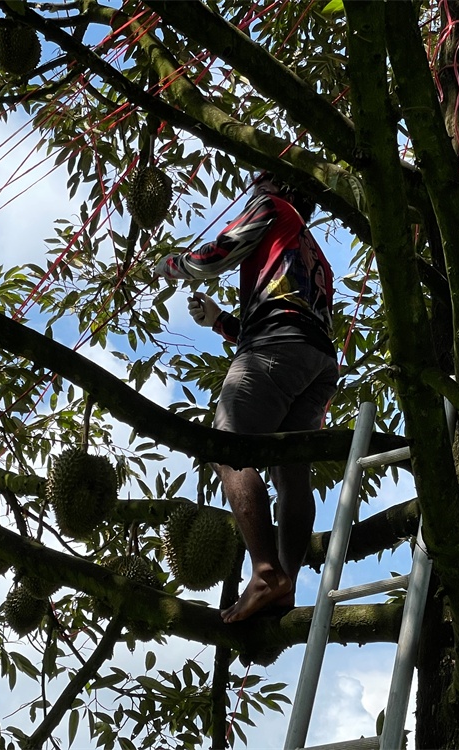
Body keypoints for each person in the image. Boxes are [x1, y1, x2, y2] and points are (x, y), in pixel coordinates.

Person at [153, 172, 338, 623]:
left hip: (279, 346)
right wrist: (220, 321)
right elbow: (289, 318)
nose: (252, 190)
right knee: (291, 473)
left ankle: (265, 572)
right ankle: (285, 586)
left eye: (258, 182)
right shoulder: (313, 254)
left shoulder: (274, 209)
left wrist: (173, 264)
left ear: (277, 187)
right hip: (319, 362)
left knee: (230, 448)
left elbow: (219, 252)